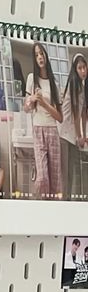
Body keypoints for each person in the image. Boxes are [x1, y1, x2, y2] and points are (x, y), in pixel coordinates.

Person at [25, 42, 63, 198]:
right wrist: (32, 99)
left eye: (42, 53)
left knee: (55, 179)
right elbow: (26, 108)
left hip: (52, 131)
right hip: (38, 129)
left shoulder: (54, 84)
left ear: (46, 55)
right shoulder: (31, 79)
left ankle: (53, 212)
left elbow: (60, 117)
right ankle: (41, 209)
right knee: (42, 178)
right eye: (36, 54)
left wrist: (44, 103)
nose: (40, 57)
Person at [61, 53, 88, 199]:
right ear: (75, 69)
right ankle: (64, 204)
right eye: (80, 68)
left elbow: (83, 113)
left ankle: (67, 202)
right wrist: (80, 136)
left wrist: (83, 135)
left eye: (84, 67)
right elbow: (76, 114)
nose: (83, 71)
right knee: (66, 175)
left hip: (70, 135)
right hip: (64, 134)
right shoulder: (74, 83)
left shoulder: (82, 86)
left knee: (69, 174)